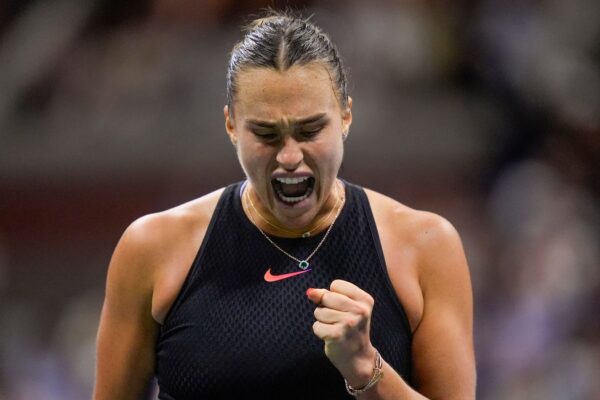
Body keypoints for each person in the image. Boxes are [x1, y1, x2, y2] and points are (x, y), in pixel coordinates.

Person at [93, 10, 475, 400]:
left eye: (310, 130)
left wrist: (366, 368)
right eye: (265, 133)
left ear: (345, 116)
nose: (290, 156)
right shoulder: (152, 248)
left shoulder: (425, 246)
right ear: (231, 126)